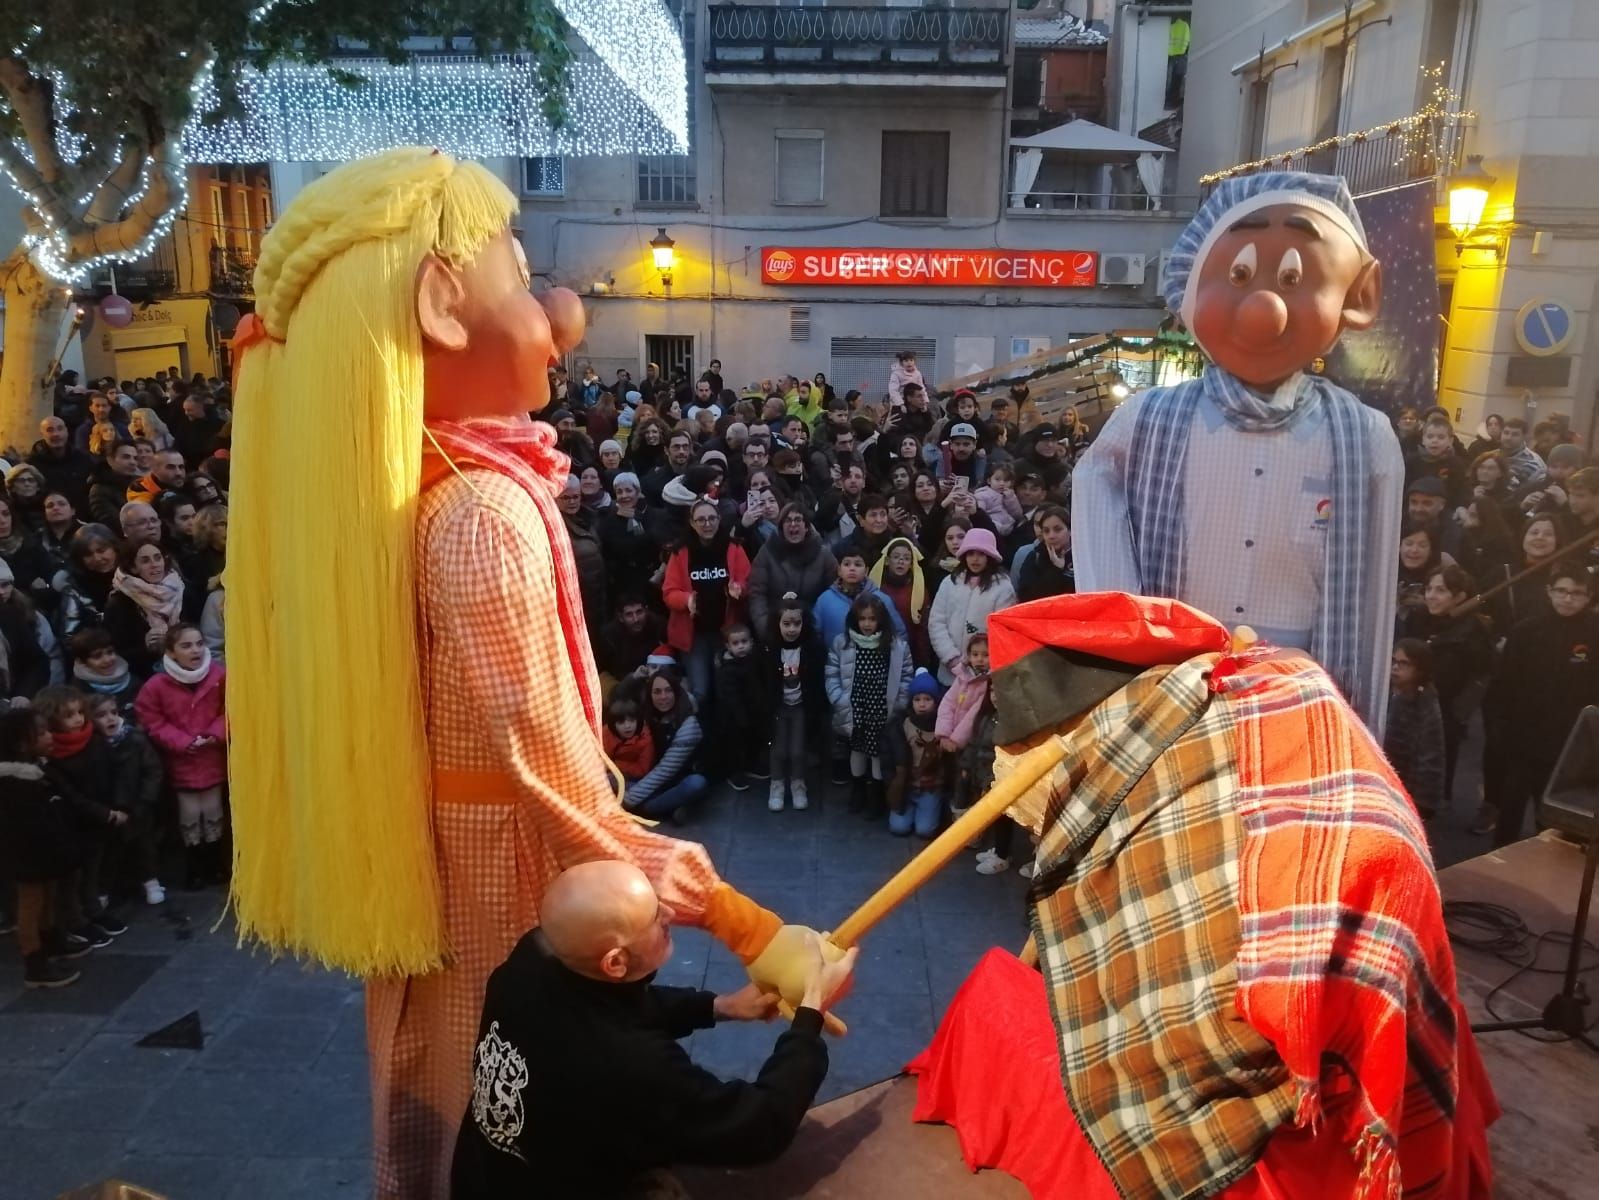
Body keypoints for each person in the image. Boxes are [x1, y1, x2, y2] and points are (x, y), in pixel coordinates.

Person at [226, 150, 829, 1198]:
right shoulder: (479, 514)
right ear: (444, 307)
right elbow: (554, 775)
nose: (561, 305)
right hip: (501, 874)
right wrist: (748, 928)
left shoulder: (412, 490)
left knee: (442, 1084)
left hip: (442, 860)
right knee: (515, 1100)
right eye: (522, 273)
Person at [1072, 171, 1401, 732]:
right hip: (1177, 682)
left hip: (1296, 695)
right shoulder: (1147, 421)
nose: (1263, 306)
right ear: (1191, 290)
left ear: (1359, 296)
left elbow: (1371, 606)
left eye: (1295, 277)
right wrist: (1130, 638)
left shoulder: (1365, 438)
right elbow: (1094, 489)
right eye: (1239, 274)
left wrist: (1360, 726)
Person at [451, 860, 856, 1198]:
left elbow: (613, 1007)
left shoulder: (533, 959)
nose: (669, 914)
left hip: (487, 1176)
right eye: (654, 918)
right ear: (614, 962)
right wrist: (808, 1019)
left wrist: (718, 1007)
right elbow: (757, 1126)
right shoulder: (631, 1068)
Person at [1486, 563, 1599, 847]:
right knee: (1510, 810)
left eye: (1577, 593)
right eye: (1561, 590)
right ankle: (1497, 865)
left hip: (1571, 744)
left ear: (1589, 597)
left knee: (1554, 818)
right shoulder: (1525, 631)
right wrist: (1500, 729)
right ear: (1549, 592)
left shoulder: (1595, 635)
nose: (1568, 598)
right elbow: (1502, 685)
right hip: (1523, 738)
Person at [135, 625, 227, 889]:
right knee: (189, 812)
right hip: (181, 758)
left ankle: (213, 864)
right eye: (186, 646)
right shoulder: (157, 685)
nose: (195, 650)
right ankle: (194, 866)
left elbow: (230, 709)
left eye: (199, 643)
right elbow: (151, 719)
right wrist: (183, 742)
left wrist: (214, 734)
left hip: (211, 754)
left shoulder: (219, 676)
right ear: (171, 652)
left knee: (213, 810)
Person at [0, 709, 87, 988]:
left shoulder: (38, 769)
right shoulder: (14, 782)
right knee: (31, 904)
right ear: (21, 743)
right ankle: (34, 963)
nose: (50, 736)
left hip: (44, 851)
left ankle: (51, 941)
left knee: (48, 896)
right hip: (26, 853)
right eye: (41, 733)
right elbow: (25, 824)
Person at [34, 686, 126, 940]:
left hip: (102, 815)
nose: (78, 719)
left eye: (80, 712)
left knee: (94, 870)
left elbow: (114, 771)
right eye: (69, 715)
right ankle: (76, 920)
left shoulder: (94, 739)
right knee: (74, 876)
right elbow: (69, 794)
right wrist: (103, 812)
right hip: (74, 823)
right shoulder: (51, 756)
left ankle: (94, 911)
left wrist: (117, 806)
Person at [826, 593, 913, 822]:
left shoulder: (896, 646)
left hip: (881, 708)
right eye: (862, 619)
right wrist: (838, 699)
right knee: (857, 749)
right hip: (854, 707)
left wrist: (900, 704)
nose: (867, 624)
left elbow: (905, 676)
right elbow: (832, 673)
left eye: (872, 619)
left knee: (877, 752)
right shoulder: (842, 643)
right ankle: (858, 788)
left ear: (880, 620)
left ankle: (875, 792)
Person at [662, 498, 751, 709]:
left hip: (726, 631)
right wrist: (687, 600)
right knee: (700, 692)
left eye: (711, 518)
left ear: (719, 520)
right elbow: (669, 592)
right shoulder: (680, 552)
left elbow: (748, 581)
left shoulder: (734, 548)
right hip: (695, 636)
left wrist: (739, 589)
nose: (707, 524)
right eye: (701, 519)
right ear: (692, 523)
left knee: (726, 690)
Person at [88, 693, 167, 906]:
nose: (110, 719)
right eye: (101, 715)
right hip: (109, 809)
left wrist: (146, 800)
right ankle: (103, 891)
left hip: (137, 803)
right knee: (109, 852)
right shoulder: (92, 746)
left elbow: (153, 770)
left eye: (113, 712)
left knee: (144, 845)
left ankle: (151, 881)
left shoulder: (134, 739)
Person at [927, 528, 1016, 686]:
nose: (975, 559)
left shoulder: (1003, 587)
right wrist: (952, 659)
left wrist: (981, 660)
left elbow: (1003, 631)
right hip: (949, 674)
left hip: (983, 674)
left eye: (981, 554)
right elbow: (936, 622)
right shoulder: (950, 582)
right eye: (971, 553)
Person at [764, 593, 826, 813]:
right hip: (779, 707)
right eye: (786, 623)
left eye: (797, 623)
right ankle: (777, 785)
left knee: (798, 750)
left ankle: (798, 785)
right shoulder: (769, 649)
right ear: (777, 623)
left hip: (801, 706)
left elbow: (818, 681)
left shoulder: (811, 649)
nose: (792, 629)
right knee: (779, 750)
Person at [623, 669, 708, 821]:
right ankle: (671, 809)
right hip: (650, 774)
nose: (663, 697)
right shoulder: (649, 715)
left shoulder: (689, 725)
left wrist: (627, 801)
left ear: (676, 692)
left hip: (677, 779)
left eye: (668, 691)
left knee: (696, 784)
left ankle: (646, 809)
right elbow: (617, 702)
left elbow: (665, 771)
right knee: (611, 778)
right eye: (657, 691)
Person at [746, 503, 836, 642]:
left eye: (798, 520)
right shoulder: (767, 552)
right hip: (775, 629)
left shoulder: (823, 554)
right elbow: (757, 594)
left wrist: (818, 628)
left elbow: (834, 590)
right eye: (788, 520)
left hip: (813, 629)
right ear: (781, 527)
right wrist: (765, 629)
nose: (793, 524)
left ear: (806, 527)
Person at [1383, 639, 1446, 819]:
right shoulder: (1385, 692)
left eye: (1404, 664)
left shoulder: (1424, 703)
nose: (1395, 667)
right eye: (1394, 661)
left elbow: (1431, 754)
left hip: (1409, 792)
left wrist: (1423, 802)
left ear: (1419, 669)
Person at [105, 541, 185, 678]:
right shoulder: (119, 602)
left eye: (158, 558)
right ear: (133, 567)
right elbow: (116, 651)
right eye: (145, 561)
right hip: (143, 674)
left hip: (184, 666)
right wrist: (145, 646)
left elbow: (198, 627)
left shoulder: (180, 589)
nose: (154, 564)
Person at [713, 624, 768, 792]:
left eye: (744, 642)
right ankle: (734, 772)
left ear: (751, 642)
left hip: (754, 711)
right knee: (736, 746)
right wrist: (740, 716)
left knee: (754, 741)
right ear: (728, 646)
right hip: (734, 717)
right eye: (736, 643)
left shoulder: (753, 660)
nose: (741, 646)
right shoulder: (727, 669)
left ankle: (751, 765)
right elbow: (730, 697)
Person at [895, 669, 946, 839]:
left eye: (927, 699)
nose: (922, 704)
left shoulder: (941, 725)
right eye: (917, 700)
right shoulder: (904, 724)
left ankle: (931, 809)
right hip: (908, 785)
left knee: (925, 830)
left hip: (930, 787)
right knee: (898, 827)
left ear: (935, 702)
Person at [870, 536, 932, 668]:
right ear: (887, 561)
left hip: (910, 653)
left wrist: (922, 661)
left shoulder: (919, 590)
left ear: (911, 564)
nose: (901, 561)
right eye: (896, 557)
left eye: (906, 558)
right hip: (877, 649)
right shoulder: (876, 587)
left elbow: (923, 628)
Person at [69, 628, 140, 722]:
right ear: (82, 662)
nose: (107, 660)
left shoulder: (135, 682)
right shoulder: (77, 690)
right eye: (97, 656)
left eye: (110, 652)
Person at [595, 595, 667, 686]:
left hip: (656, 679)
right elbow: (606, 670)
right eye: (629, 614)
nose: (636, 619)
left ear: (646, 610)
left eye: (639, 612)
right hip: (623, 683)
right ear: (621, 617)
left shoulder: (658, 626)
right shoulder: (610, 636)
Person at [28, 417, 95, 510]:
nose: (56, 434)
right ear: (42, 434)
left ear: (66, 431)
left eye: (60, 429)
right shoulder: (32, 464)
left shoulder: (83, 459)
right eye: (50, 430)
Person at [1015, 504, 1075, 602]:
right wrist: (1056, 570)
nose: (1051, 536)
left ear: (1070, 530)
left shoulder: (1082, 557)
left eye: (1057, 529)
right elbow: (1027, 598)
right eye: (1046, 531)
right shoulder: (1035, 557)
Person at [602, 691, 655, 788]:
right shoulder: (605, 733)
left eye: (631, 721)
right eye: (621, 722)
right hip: (607, 772)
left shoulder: (645, 739)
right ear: (613, 724)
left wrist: (616, 765)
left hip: (633, 779)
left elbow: (642, 769)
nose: (627, 726)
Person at [86, 441, 141, 527]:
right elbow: (111, 521)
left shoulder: (140, 483)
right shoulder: (99, 489)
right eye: (126, 457)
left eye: (135, 458)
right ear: (110, 460)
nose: (132, 462)